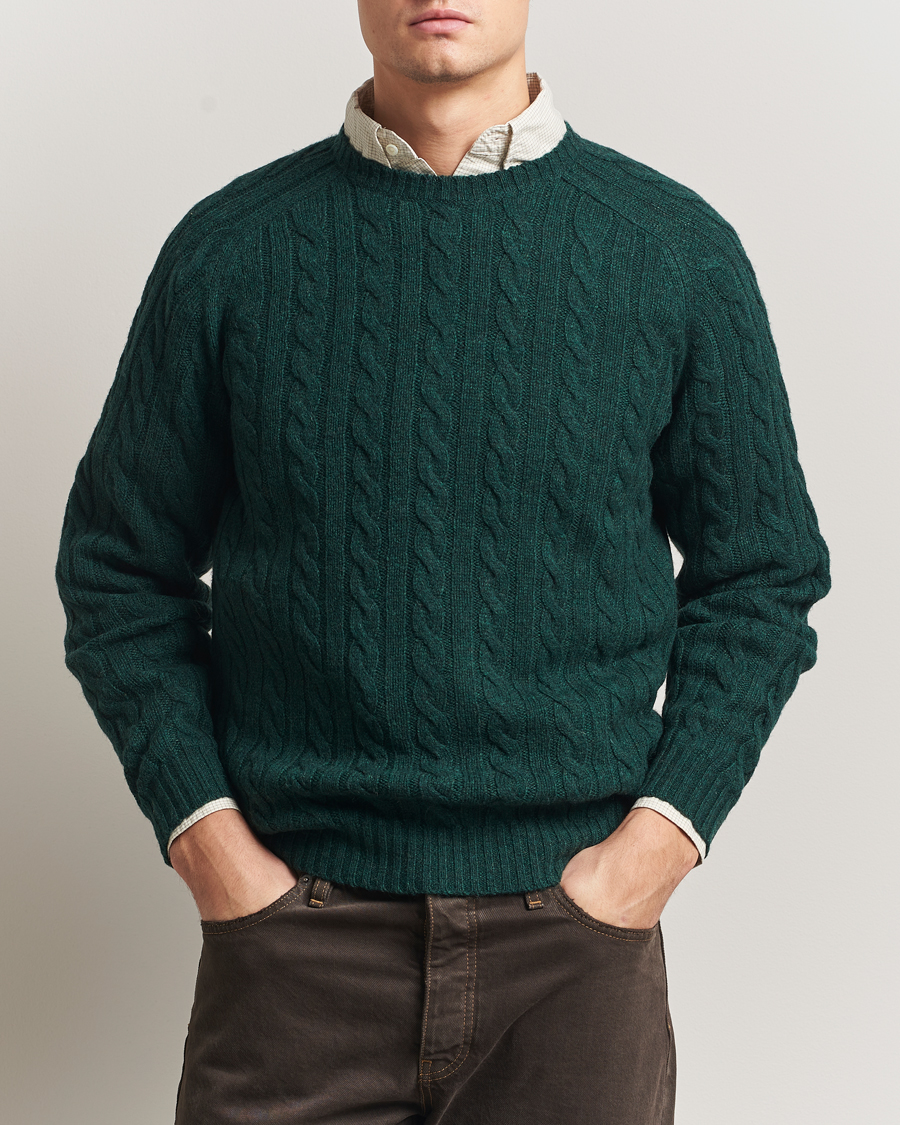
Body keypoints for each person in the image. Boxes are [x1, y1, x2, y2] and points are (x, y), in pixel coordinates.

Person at [55, 2, 831, 1122]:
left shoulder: (673, 251)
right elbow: (119, 568)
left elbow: (760, 578)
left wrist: (657, 844)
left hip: (574, 949)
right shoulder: (231, 251)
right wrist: (207, 838)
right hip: (295, 949)